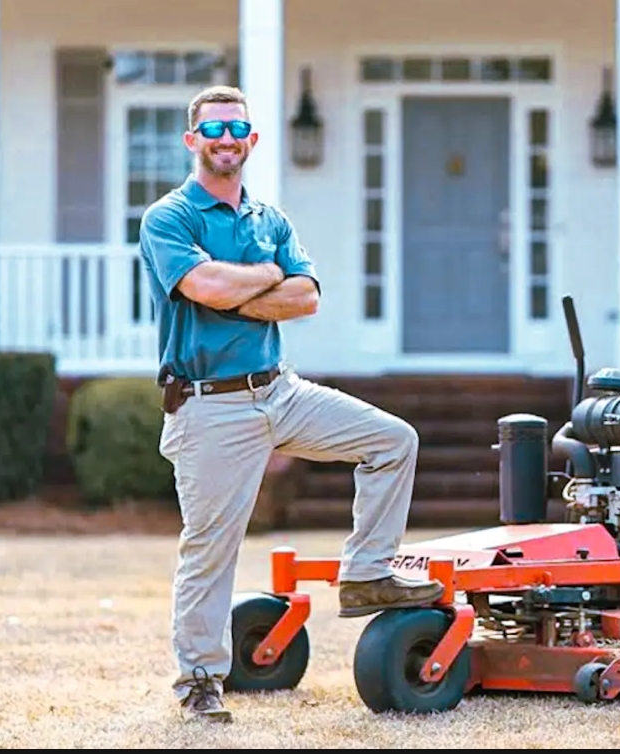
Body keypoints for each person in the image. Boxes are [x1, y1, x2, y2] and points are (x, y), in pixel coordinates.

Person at [136, 85, 445, 723]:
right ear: (193, 140)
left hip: (280, 389)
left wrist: (239, 289)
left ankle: (367, 571)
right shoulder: (169, 217)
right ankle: (199, 679)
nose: (226, 139)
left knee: (392, 441)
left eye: (237, 129)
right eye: (213, 128)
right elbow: (204, 286)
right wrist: (260, 278)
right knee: (210, 547)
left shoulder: (269, 219)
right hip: (209, 405)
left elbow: (305, 298)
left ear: (251, 140)